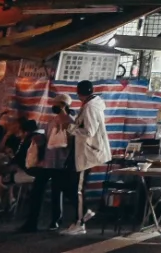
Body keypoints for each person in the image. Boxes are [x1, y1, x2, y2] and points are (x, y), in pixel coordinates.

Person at [63, 80, 111, 234]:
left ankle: (80, 222)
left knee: (77, 188)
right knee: (73, 186)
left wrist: (70, 127)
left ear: (78, 93)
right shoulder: (92, 105)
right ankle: (83, 215)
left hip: (86, 153)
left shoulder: (90, 107)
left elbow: (88, 131)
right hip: (84, 152)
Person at [20, 103, 71, 232]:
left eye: (59, 105)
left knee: (56, 192)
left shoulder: (70, 121)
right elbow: (47, 140)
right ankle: (32, 222)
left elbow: (70, 142)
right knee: (37, 190)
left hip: (61, 163)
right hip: (48, 162)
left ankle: (55, 221)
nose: (56, 108)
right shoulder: (51, 121)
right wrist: (41, 141)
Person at [0, 114, 28, 212]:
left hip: (19, 168)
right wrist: (6, 136)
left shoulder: (23, 139)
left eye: (13, 123)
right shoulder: (11, 137)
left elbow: (19, 157)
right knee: (1, 173)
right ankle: (10, 198)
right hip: (8, 164)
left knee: (2, 176)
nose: (10, 125)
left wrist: (11, 154)